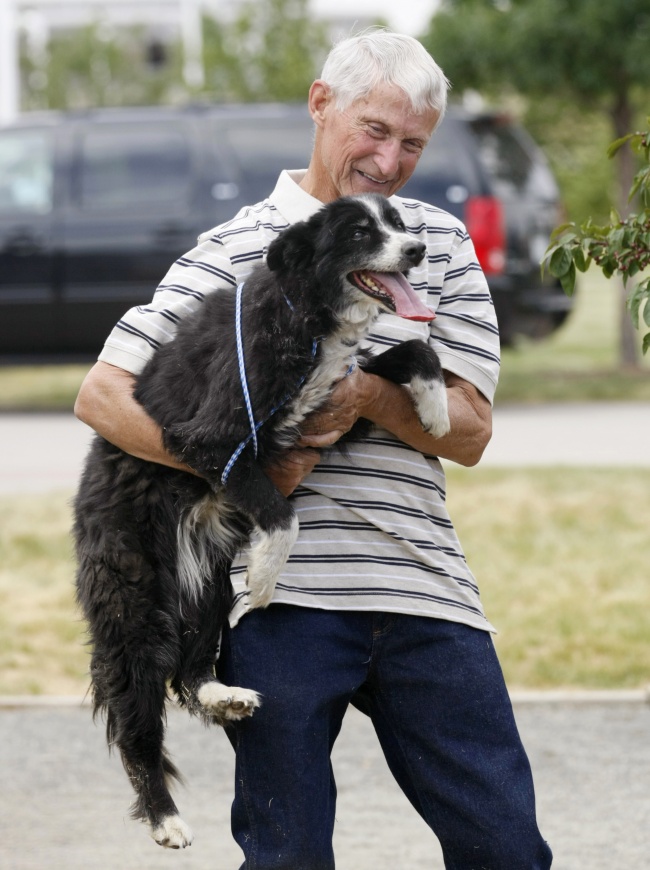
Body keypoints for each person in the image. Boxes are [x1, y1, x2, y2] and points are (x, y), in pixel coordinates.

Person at [75, 29, 552, 870]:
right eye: (374, 128)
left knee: (508, 848)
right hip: (280, 603)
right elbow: (102, 396)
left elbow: (470, 430)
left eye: (412, 142)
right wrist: (246, 472)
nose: (389, 158)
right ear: (319, 103)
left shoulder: (431, 242)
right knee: (288, 855)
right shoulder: (231, 248)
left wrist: (366, 394)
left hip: (423, 587)